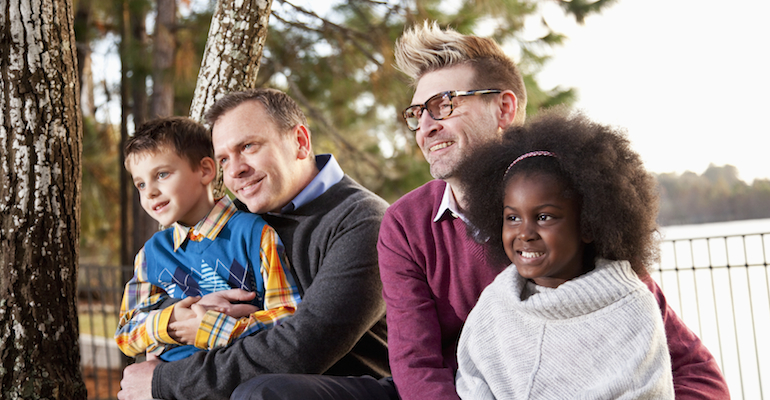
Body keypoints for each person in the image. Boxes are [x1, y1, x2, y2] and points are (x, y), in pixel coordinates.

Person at [378, 21, 729, 400]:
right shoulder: (404, 224)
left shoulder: (574, 206)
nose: (425, 127)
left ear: (504, 108)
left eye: (443, 104)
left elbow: (695, 372)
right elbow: (417, 367)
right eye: (417, 112)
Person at [117, 89, 391, 400]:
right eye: (224, 159)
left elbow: (302, 347)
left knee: (260, 393)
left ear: (300, 142)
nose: (235, 170)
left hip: (345, 386)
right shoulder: (238, 217)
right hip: (255, 382)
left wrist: (165, 382)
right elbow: (167, 302)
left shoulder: (365, 221)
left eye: (248, 146)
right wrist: (178, 318)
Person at [454, 110, 674, 399]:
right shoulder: (495, 305)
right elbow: (472, 383)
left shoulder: (630, 309)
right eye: (512, 218)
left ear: (588, 223)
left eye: (544, 217)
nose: (525, 233)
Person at [115, 116, 301, 363]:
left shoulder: (254, 234)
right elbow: (125, 333)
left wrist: (213, 329)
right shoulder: (152, 253)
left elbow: (289, 317)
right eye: (140, 184)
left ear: (205, 170)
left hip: (238, 379)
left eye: (161, 174)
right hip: (167, 384)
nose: (150, 191)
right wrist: (174, 320)